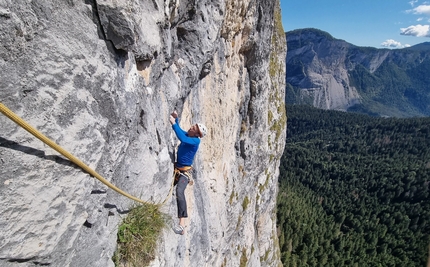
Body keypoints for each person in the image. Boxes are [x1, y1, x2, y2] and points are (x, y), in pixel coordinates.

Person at [169, 111, 207, 235]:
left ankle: (182, 225)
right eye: (193, 126)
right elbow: (181, 131)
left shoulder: (195, 141)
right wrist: (176, 120)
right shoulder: (189, 136)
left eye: (194, 128)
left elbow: (182, 138)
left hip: (184, 173)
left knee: (179, 191)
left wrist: (174, 124)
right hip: (178, 168)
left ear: (197, 134)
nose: (191, 127)